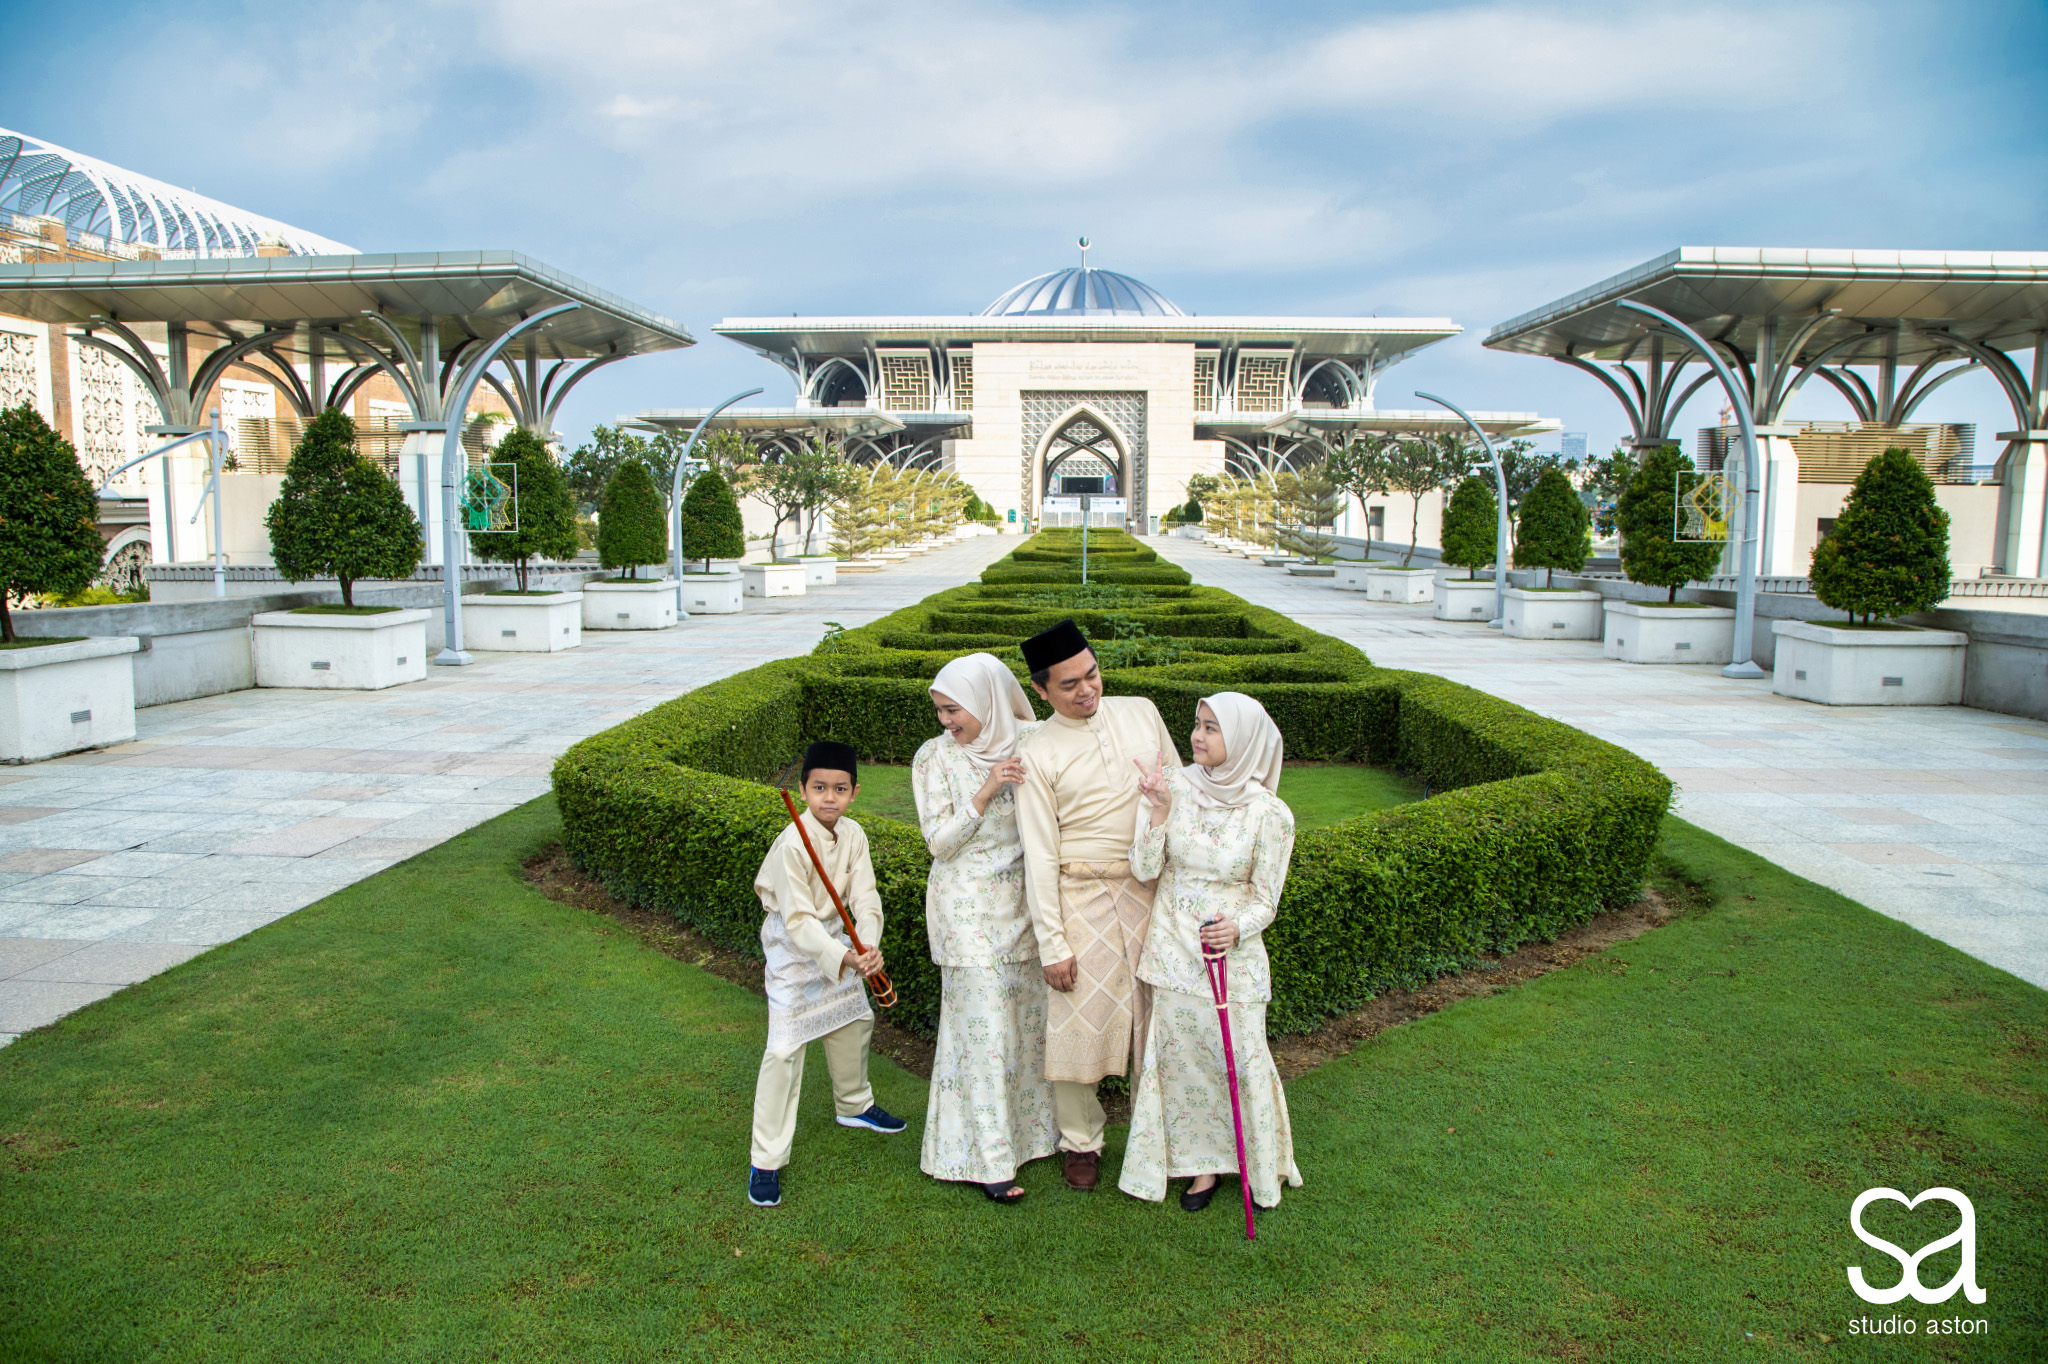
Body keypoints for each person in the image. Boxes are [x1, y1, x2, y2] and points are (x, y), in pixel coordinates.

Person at [1015, 618, 1181, 1192]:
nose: (1087, 690)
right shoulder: (1036, 750)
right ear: (1040, 690)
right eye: (1069, 685)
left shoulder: (1142, 712)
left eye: (1092, 674)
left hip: (1150, 887)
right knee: (1076, 1016)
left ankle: (1163, 1133)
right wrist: (1052, 943)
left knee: (1160, 1013)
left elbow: (1179, 791)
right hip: (1080, 891)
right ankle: (1080, 1140)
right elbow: (1039, 852)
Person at [1119, 692, 1302, 1211]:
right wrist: (1158, 810)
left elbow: (1266, 899)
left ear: (1242, 740)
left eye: (1211, 728)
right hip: (1174, 953)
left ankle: (1254, 1165)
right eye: (1197, 724)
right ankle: (1200, 1167)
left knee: (1240, 1061)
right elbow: (1144, 869)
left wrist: (1237, 927)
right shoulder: (1172, 787)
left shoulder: (1271, 813)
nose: (1196, 736)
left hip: (1231, 962)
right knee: (1183, 1064)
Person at [912, 652, 1060, 1203]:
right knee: (983, 1036)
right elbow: (939, 843)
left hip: (1025, 906)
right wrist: (987, 789)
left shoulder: (1033, 741)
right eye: (940, 710)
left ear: (987, 700)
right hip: (965, 912)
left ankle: (1035, 1139)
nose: (945, 721)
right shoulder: (934, 757)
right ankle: (988, 1161)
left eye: (954, 709)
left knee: (1026, 1027)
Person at [747, 740, 906, 1208]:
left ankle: (854, 1104)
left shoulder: (855, 834)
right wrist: (844, 957)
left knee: (855, 1019)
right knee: (783, 1049)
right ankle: (766, 1159)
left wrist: (868, 945)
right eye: (819, 788)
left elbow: (867, 897)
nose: (829, 798)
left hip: (840, 942)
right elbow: (798, 921)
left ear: (854, 792)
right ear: (802, 790)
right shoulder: (790, 844)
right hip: (793, 952)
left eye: (839, 788)